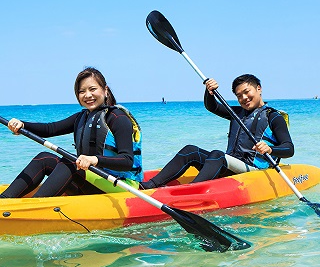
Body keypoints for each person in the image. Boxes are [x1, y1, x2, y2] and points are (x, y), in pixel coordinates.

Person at [0, 67, 143, 198]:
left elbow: (127, 161)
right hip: (94, 180)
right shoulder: (81, 117)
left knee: (70, 162)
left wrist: (94, 159)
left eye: (92, 89)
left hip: (120, 186)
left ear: (105, 90)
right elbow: (50, 128)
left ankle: (33, 209)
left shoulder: (118, 118)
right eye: (82, 91)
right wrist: (23, 125)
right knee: (45, 159)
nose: (87, 95)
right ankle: (4, 201)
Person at [140, 74, 294, 189]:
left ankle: (190, 192)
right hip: (229, 165)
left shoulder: (273, 117)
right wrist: (209, 92)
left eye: (247, 92)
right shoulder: (236, 113)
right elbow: (212, 107)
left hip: (252, 171)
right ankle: (150, 185)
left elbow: (289, 148)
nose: (244, 98)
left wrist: (270, 149)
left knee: (217, 155)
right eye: (239, 96)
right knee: (190, 151)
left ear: (258, 89)